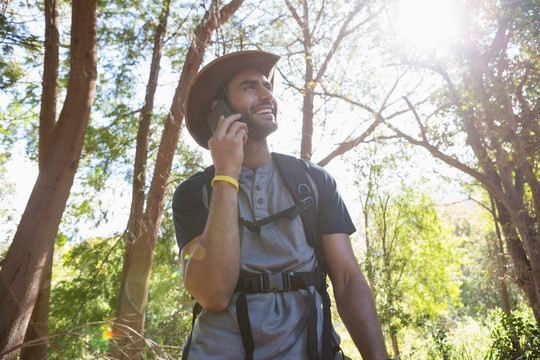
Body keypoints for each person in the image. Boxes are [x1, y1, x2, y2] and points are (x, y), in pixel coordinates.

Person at [173, 50, 390, 360]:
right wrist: (226, 176)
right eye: (250, 87)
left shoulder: (314, 181)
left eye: (268, 86)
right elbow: (213, 293)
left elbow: (346, 279)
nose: (267, 95)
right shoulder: (193, 193)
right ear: (218, 110)